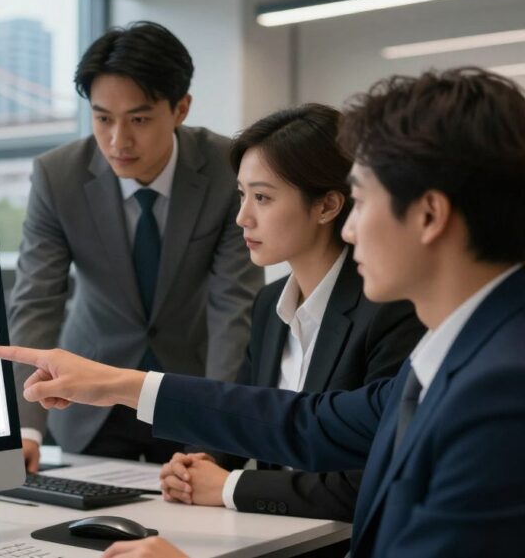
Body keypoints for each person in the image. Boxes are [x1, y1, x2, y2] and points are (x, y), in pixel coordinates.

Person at [0, 67, 525, 557]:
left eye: (361, 200)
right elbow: (305, 423)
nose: (352, 229)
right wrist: (118, 384)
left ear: (428, 214)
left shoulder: (499, 394)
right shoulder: (455, 356)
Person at [156, 104, 423, 532]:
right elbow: (249, 409)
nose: (243, 217)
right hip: (269, 533)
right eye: (241, 195)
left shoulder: (391, 309)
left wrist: (229, 487)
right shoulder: (269, 303)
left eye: (262, 197)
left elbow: (367, 480)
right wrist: (201, 460)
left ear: (328, 206)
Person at [9, 21, 263, 471]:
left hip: (190, 395)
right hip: (88, 402)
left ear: (181, 108)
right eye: (103, 117)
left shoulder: (227, 170)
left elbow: (234, 308)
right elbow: (37, 300)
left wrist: (218, 429)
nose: (117, 141)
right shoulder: (58, 176)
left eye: (139, 119)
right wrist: (26, 427)